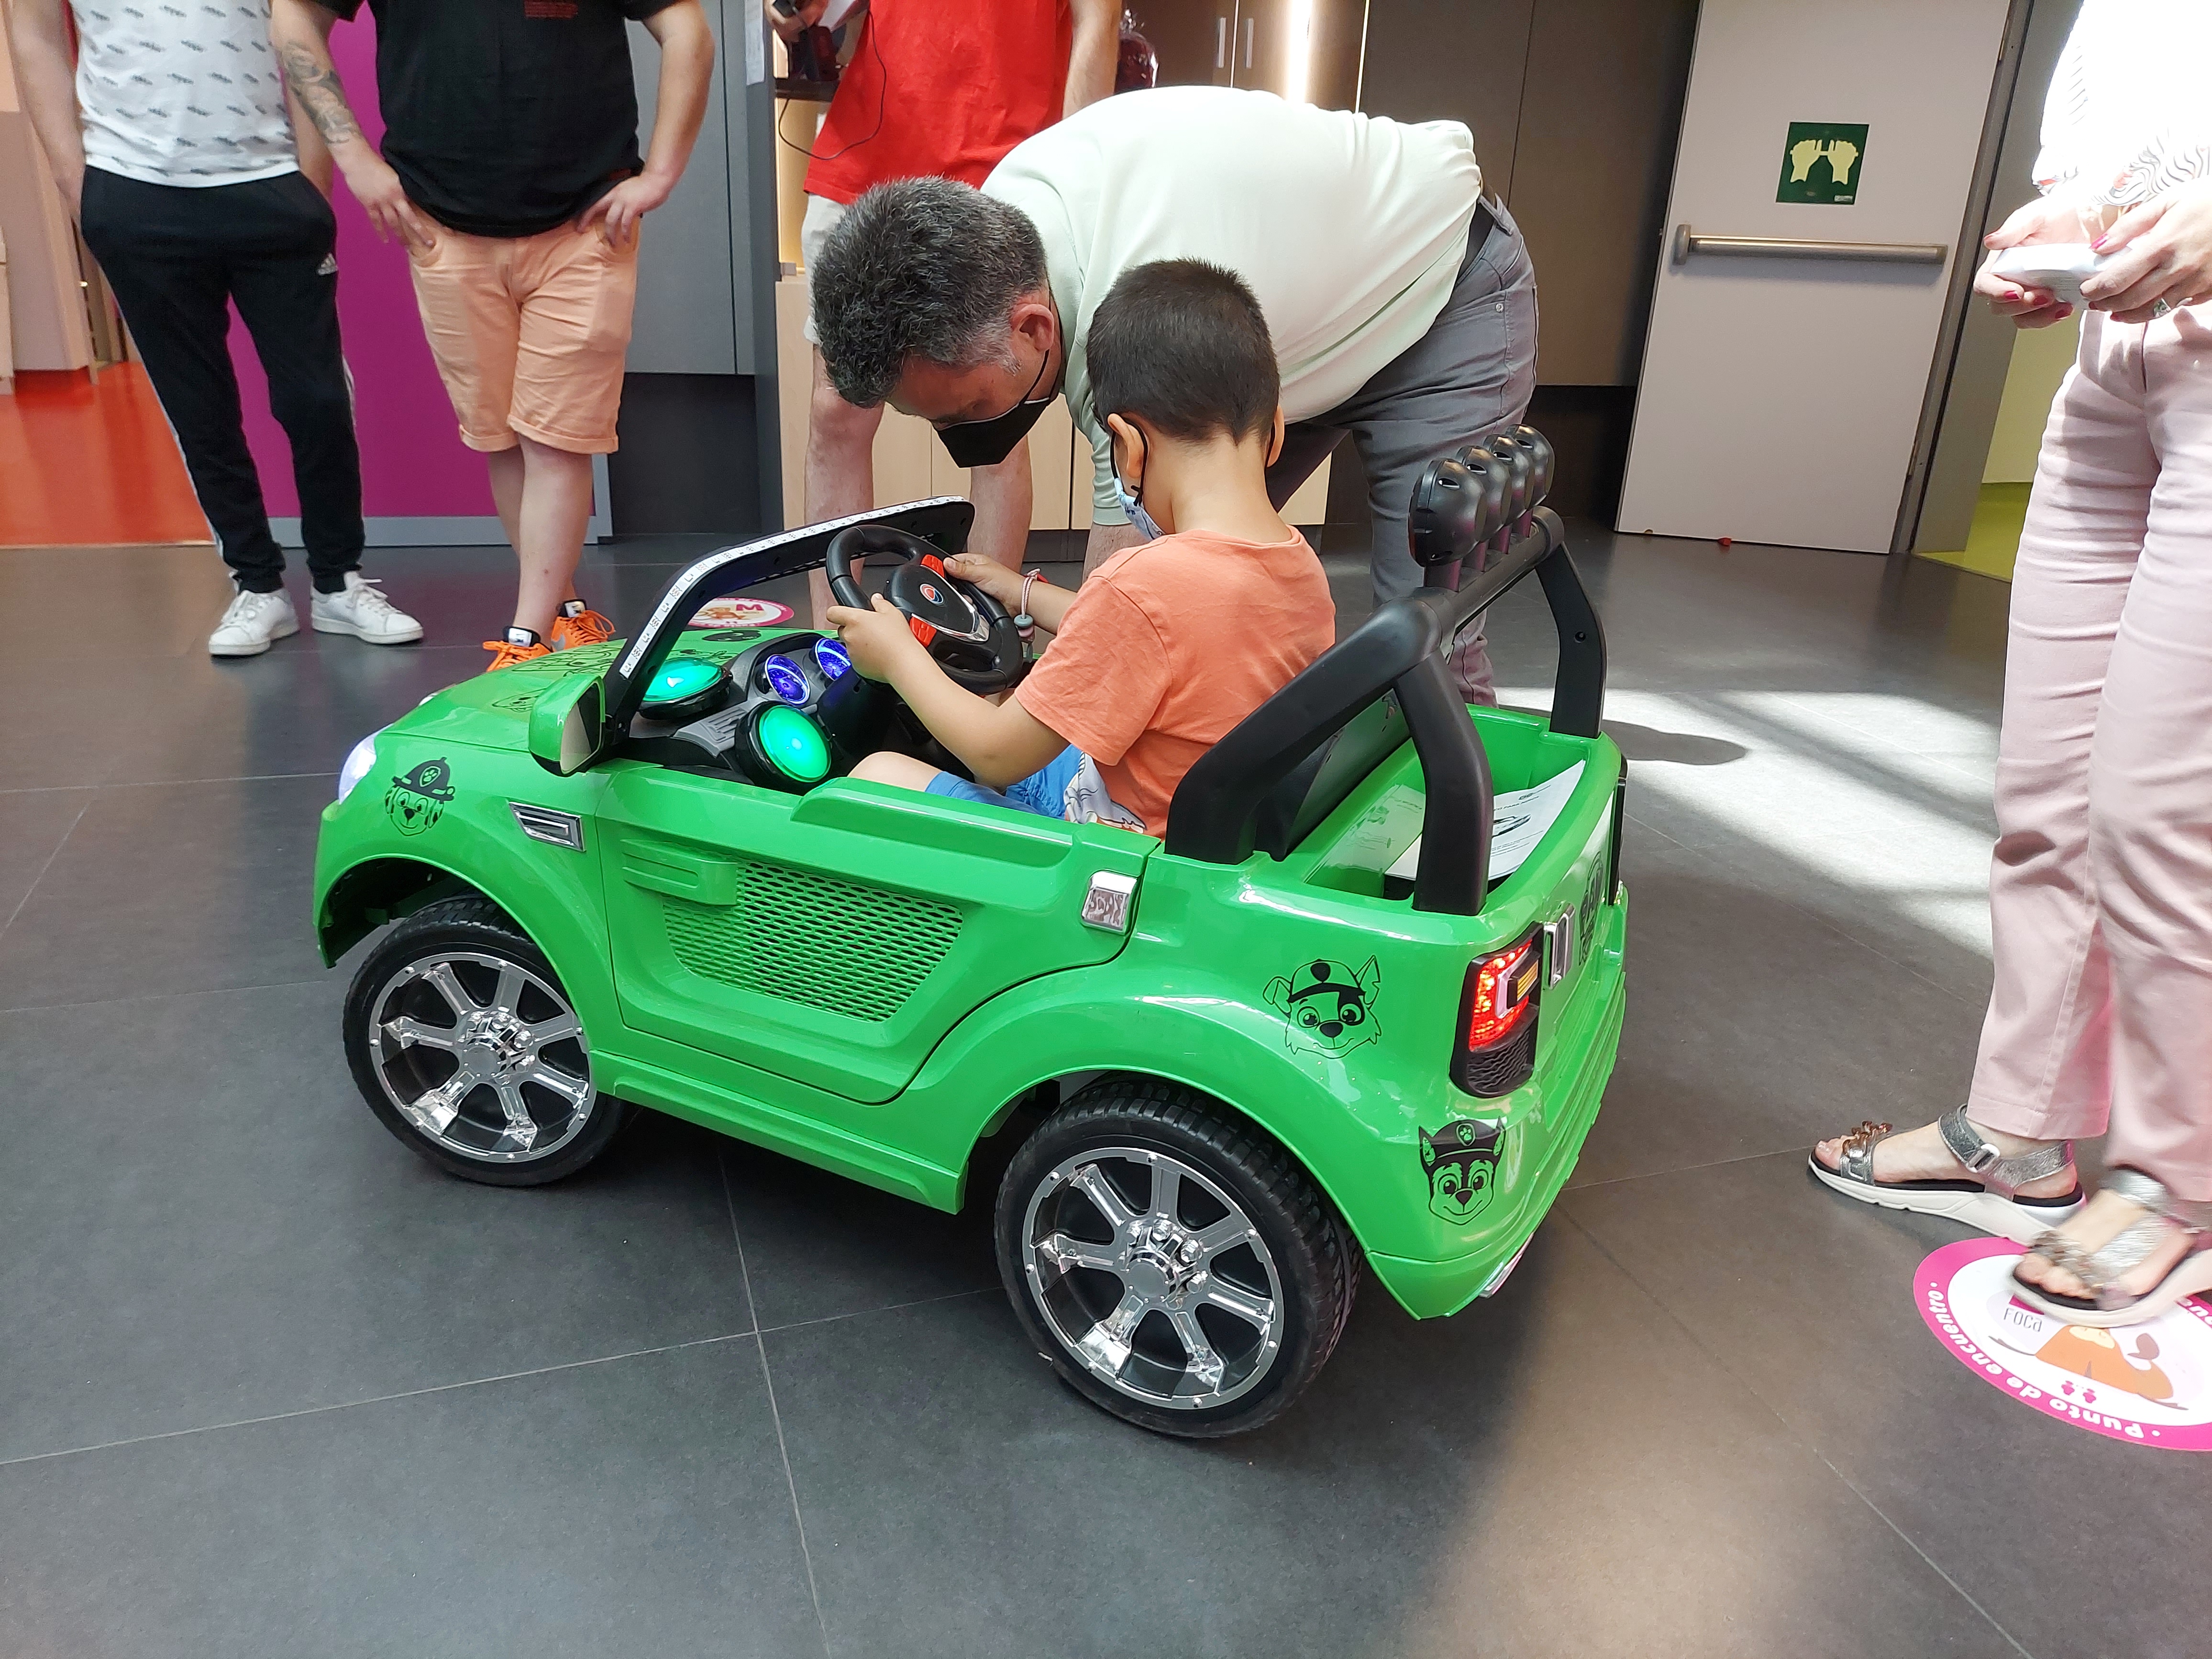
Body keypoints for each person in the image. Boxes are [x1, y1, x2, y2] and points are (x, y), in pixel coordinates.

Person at [1812, 0, 2212, 1325]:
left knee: (2161, 806)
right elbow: (2117, 162)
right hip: (2115, 369)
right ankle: (2024, 1132)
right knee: (2045, 797)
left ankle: (2175, 1183)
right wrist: (2064, 243)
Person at [807, 85, 1534, 706]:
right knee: (1198, 595)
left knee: (1427, 640)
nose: (966, 433)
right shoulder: (995, 236)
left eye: (969, 409)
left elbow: (1112, 629)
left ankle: (1460, 854)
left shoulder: (1128, 326)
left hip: (1439, 285)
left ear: (1033, 325)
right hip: (1282, 312)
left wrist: (984, 724)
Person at [268, 0, 715, 671]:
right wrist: (353, 157)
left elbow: (687, 30)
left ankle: (526, 637)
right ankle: (565, 610)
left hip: (585, 225)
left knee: (559, 439)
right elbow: (294, 17)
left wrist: (663, 172)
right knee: (502, 435)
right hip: (441, 224)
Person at [825, 259, 1333, 834]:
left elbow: (997, 753)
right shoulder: (1298, 564)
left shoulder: (1142, 582)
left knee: (877, 775)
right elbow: (1157, 637)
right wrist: (1019, 591)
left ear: (1128, 446)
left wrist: (898, 655)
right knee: (993, 702)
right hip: (1193, 819)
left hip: (1118, 859)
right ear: (1277, 429)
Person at [6, 0, 421, 658]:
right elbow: (33, 39)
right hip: (133, 189)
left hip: (271, 183)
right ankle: (257, 586)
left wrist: (311, 183)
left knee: (315, 398)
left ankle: (338, 583)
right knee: (200, 410)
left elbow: (302, 31)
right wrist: (75, 182)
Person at [768, 0, 1118, 627]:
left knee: (994, 416)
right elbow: (810, 16)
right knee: (836, 410)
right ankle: (837, 636)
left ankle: (983, 631)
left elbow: (1098, 18)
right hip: (866, 162)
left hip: (1004, 168)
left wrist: (1075, 176)